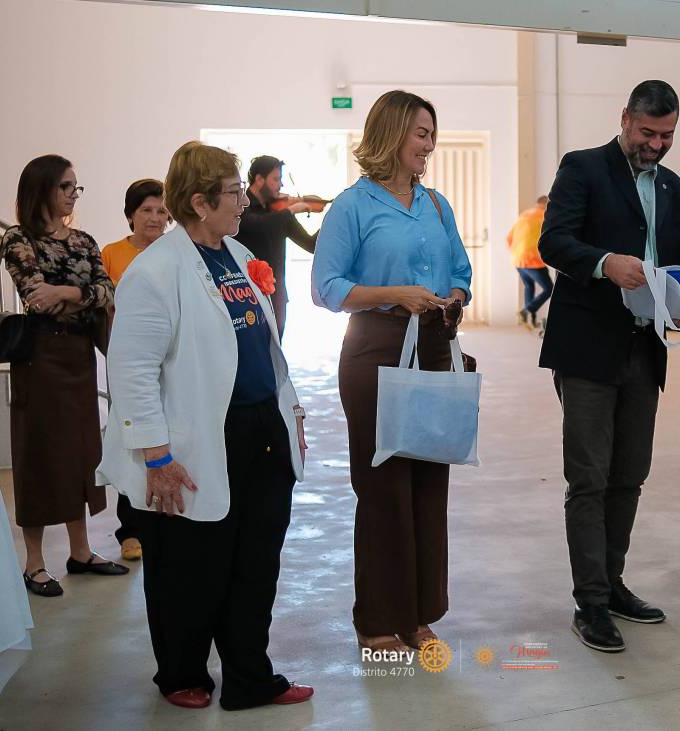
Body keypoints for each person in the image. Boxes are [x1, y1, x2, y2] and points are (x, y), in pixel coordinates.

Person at [96, 141, 313, 711]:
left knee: (256, 562)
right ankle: (182, 672)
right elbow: (132, 370)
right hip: (195, 437)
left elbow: (264, 346)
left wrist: (289, 415)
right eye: (234, 192)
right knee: (190, 566)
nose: (243, 201)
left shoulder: (236, 254)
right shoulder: (155, 270)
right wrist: (157, 455)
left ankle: (249, 676)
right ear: (199, 202)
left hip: (260, 428)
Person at [312, 90, 472, 653]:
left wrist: (455, 295)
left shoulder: (435, 205)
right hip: (375, 349)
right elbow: (326, 287)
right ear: (392, 133)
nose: (429, 145)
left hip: (432, 344)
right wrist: (396, 294)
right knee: (383, 488)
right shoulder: (351, 206)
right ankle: (378, 620)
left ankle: (419, 614)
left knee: (428, 483)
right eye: (421, 134)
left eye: (432, 135)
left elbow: (460, 269)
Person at [538, 80, 680, 653]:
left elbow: (674, 264)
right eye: (648, 132)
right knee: (589, 478)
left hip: (645, 349)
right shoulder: (583, 168)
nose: (657, 145)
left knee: (630, 474)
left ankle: (613, 582)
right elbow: (554, 242)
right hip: (587, 347)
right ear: (625, 118)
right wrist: (605, 263)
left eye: (667, 135)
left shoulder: (675, 189)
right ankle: (591, 603)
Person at [3, 154, 126, 598]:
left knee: (80, 452)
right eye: (66, 186)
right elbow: (36, 297)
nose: (74, 194)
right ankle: (34, 563)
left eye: (76, 187)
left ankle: (81, 551)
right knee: (37, 454)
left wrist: (65, 292)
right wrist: (81, 295)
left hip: (78, 355)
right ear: (42, 188)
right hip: (39, 358)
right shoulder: (19, 238)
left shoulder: (84, 240)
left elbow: (107, 290)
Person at [100, 178, 171, 561]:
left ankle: (166, 515)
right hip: (129, 365)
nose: (155, 218)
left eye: (161, 211)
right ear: (131, 215)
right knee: (133, 439)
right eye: (146, 210)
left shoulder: (177, 253)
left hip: (171, 365)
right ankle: (129, 529)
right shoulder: (112, 254)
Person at [235, 155, 318, 339]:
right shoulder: (242, 206)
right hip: (245, 293)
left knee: (276, 345)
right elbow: (254, 224)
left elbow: (310, 244)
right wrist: (290, 210)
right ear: (259, 179)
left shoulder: (279, 212)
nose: (280, 185)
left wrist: (331, 221)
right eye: (275, 179)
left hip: (276, 292)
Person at [507, 195, 552, 328]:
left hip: (518, 259)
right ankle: (527, 311)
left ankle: (529, 320)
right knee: (549, 288)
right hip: (532, 260)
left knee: (529, 286)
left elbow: (509, 238)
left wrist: (518, 253)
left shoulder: (524, 215)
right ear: (547, 204)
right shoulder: (545, 217)